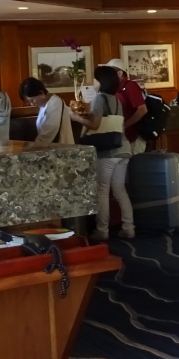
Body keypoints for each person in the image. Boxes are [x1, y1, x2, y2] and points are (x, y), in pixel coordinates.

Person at [70, 65, 135, 239]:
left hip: (108, 151)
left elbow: (95, 125)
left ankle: (102, 230)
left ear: (102, 81)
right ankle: (129, 227)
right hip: (123, 148)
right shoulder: (116, 99)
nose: (93, 82)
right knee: (120, 189)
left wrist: (75, 117)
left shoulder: (100, 98)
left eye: (95, 79)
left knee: (103, 190)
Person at [104, 58, 149, 156]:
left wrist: (125, 125)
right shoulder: (116, 88)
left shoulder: (130, 86)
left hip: (134, 137)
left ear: (120, 73)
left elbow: (142, 109)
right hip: (123, 137)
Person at [19, 77, 74, 145]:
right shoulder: (44, 105)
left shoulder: (55, 103)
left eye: (32, 100)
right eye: (29, 102)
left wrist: (33, 146)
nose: (31, 104)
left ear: (41, 93)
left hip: (62, 148)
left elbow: (49, 131)